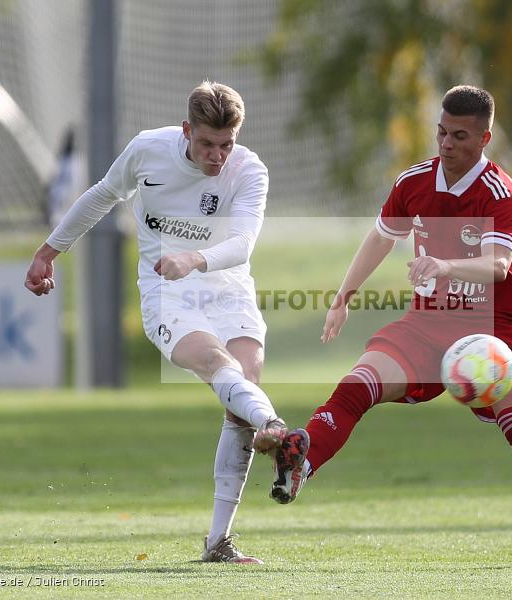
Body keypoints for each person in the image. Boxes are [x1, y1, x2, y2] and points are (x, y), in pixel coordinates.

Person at [269, 85, 512, 568]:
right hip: (429, 321)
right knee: (360, 383)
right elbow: (381, 238)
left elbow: (498, 265)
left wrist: (443, 266)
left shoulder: (501, 192)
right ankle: (302, 463)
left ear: (484, 138)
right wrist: (343, 296)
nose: (445, 143)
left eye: (458, 135)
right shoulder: (414, 181)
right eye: (441, 131)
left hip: (495, 326)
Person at [25, 80, 309, 564]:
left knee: (242, 394)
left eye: (226, 144)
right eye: (206, 144)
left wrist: (194, 258)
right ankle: (278, 430)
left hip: (228, 287)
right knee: (220, 366)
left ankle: (218, 541)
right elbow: (101, 196)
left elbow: (241, 245)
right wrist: (50, 251)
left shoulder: (249, 170)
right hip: (166, 292)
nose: (217, 155)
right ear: (186, 131)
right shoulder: (148, 150)